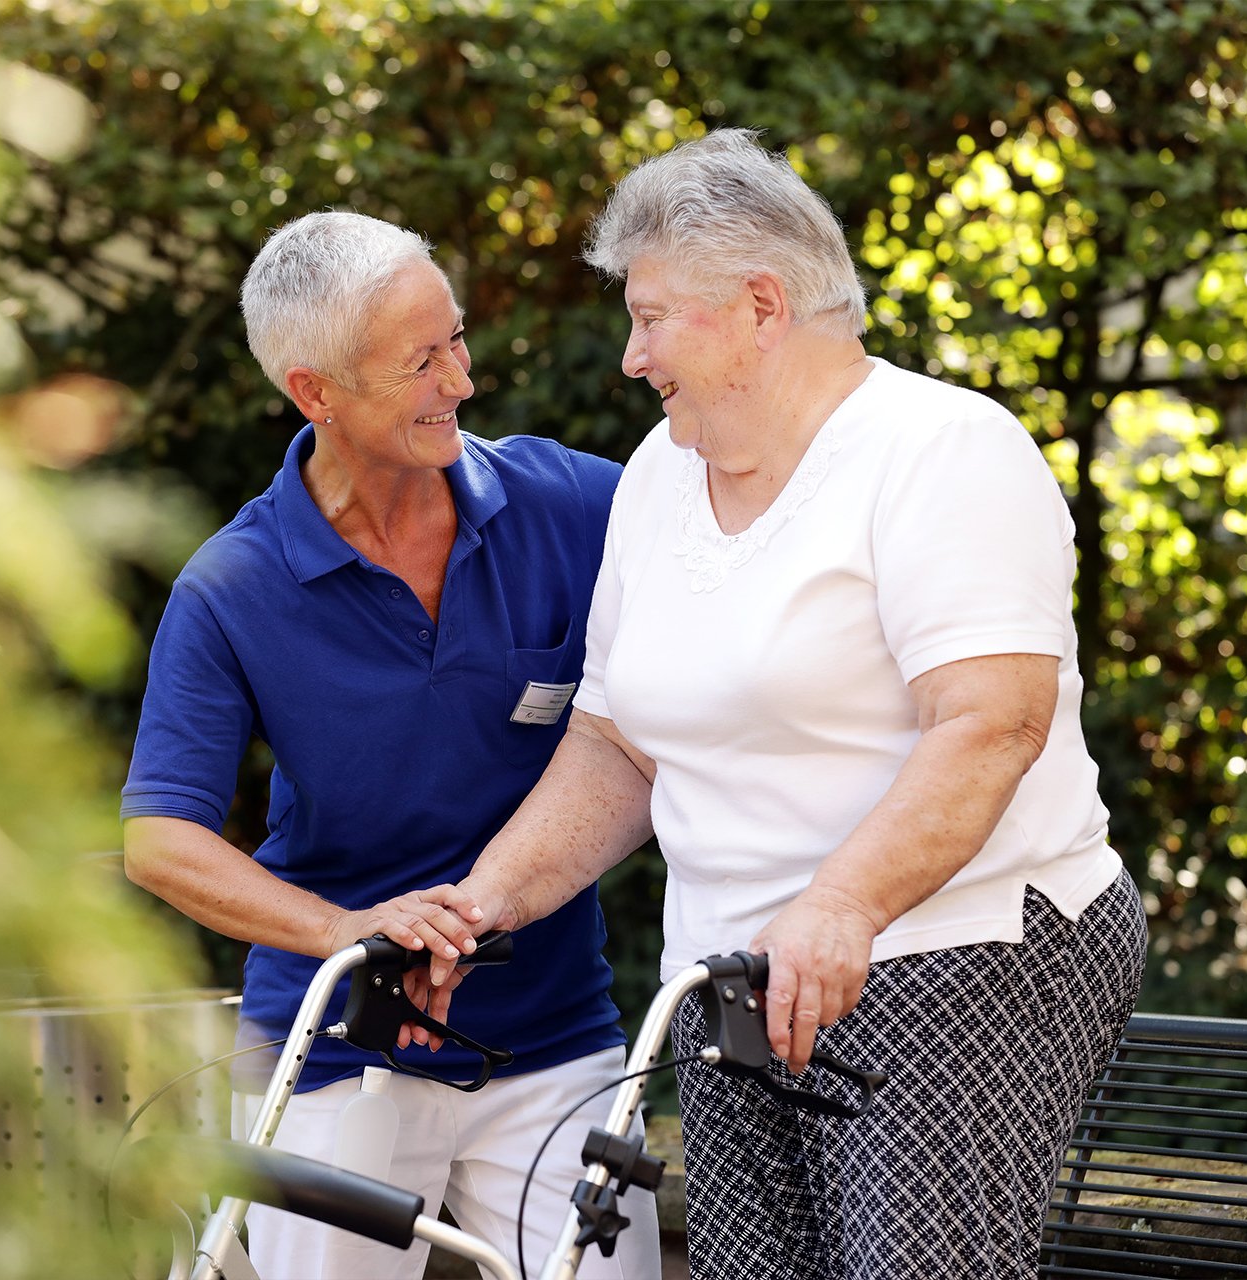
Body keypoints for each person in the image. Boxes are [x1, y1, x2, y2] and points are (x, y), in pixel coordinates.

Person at [430, 129, 1148, 1279]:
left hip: (951, 944)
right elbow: (618, 740)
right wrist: (481, 907)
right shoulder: (663, 473)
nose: (631, 355)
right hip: (736, 975)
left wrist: (840, 903)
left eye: (653, 316)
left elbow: (991, 720)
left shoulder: (941, 450)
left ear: (762, 305)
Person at [121, 211, 659, 1279]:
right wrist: (346, 929)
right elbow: (159, 840)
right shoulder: (232, 586)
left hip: (553, 1033)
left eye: (456, 339)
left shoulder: (574, 504)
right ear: (315, 391)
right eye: (420, 361)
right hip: (335, 1045)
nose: (459, 379)